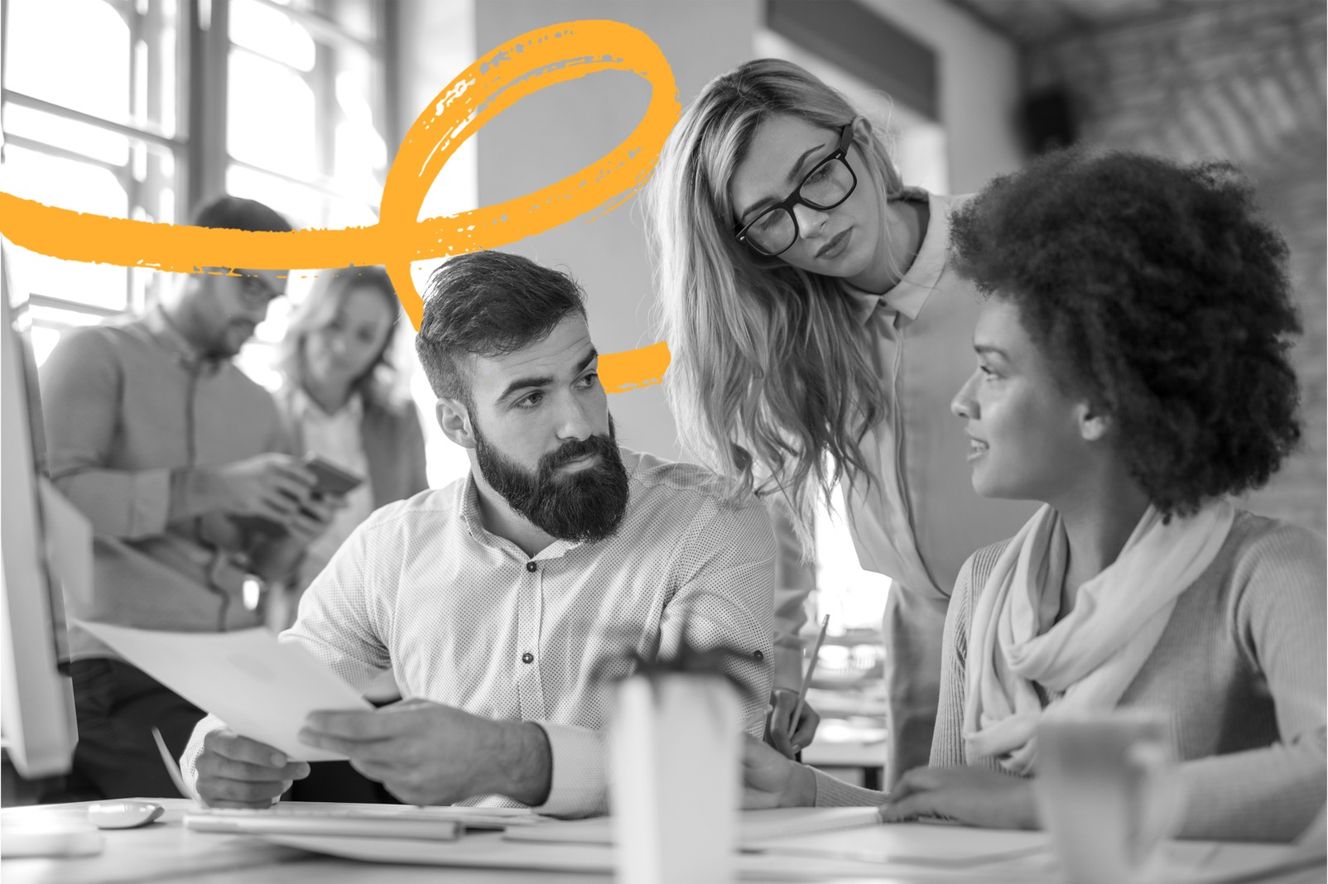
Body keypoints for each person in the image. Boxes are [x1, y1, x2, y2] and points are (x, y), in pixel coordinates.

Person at [740, 150, 1327, 842]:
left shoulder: (1265, 570)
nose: (962, 403)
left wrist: (1052, 804)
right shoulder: (983, 589)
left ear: (1098, 402)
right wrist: (805, 788)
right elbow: (950, 812)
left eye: (992, 372)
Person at [179, 250, 776, 816]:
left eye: (586, 378)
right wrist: (218, 751)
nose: (579, 423)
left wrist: (512, 760)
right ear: (458, 423)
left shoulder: (711, 522)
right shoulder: (392, 549)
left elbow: (720, 769)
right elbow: (277, 688)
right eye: (531, 398)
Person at [648, 58, 1032, 773]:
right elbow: (776, 522)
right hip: (925, 653)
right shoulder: (789, 329)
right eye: (768, 217)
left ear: (857, 140)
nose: (812, 223)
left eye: (818, 172)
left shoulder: (1021, 246)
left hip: (1063, 622)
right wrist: (776, 682)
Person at [40, 196, 338, 798]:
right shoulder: (94, 356)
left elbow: (267, 567)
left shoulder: (260, 407)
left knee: (356, 790)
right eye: (253, 290)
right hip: (122, 663)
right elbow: (55, 501)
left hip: (235, 666)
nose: (263, 315)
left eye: (274, 297)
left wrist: (294, 531)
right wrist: (214, 486)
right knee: (248, 817)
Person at [273, 265, 428, 609]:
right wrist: (297, 537)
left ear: (380, 348)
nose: (342, 347)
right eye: (334, 324)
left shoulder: (398, 421)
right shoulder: (265, 416)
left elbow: (423, 526)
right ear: (311, 319)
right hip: (295, 613)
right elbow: (260, 566)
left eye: (365, 335)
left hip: (385, 611)